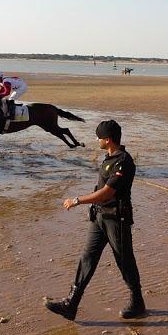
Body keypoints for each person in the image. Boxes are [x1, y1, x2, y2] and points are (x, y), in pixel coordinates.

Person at [44, 120, 145, 321]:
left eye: (98, 137)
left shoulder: (123, 161)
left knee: (124, 261)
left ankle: (137, 301)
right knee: (87, 258)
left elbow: (107, 193)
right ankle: (71, 304)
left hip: (117, 219)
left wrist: (77, 200)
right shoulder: (109, 158)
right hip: (99, 217)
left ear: (107, 140)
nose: (96, 140)